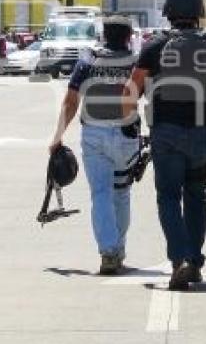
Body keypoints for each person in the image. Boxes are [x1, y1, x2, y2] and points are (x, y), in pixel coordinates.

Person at [122, 0, 206, 291]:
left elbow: (131, 92)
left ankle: (178, 259)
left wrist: (129, 121)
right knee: (195, 195)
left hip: (165, 132)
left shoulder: (155, 45)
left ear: (168, 13)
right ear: (198, 13)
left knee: (168, 197)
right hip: (202, 133)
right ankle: (193, 260)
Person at [50, 16, 139, 275]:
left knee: (101, 193)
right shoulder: (136, 62)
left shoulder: (88, 60)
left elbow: (70, 101)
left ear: (104, 35)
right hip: (126, 136)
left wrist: (57, 136)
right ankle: (119, 249)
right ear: (128, 36)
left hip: (94, 135)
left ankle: (109, 252)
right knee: (121, 193)